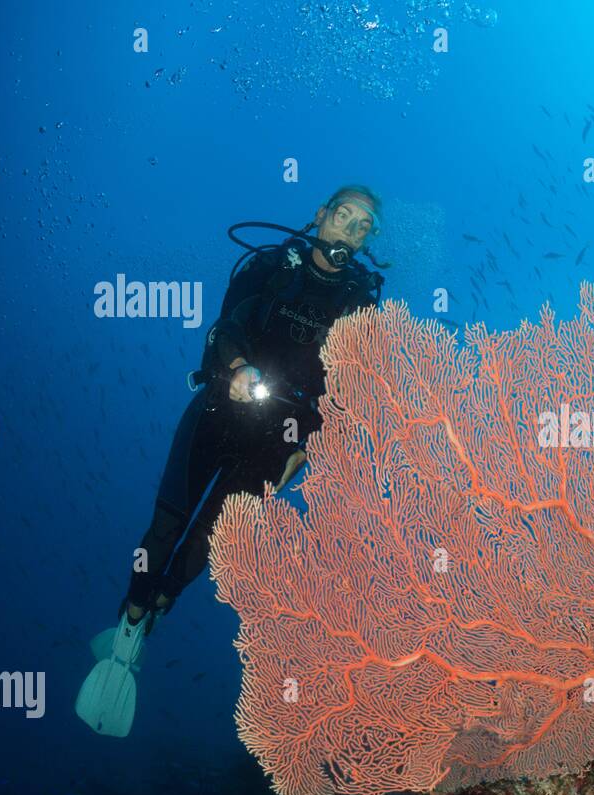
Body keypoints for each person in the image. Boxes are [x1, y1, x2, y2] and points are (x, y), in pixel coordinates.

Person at [76, 185, 385, 736]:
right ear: (320, 216)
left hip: (278, 439)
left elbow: (350, 387)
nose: (351, 232)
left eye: (365, 227)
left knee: (209, 542)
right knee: (168, 525)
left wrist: (307, 445)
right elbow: (227, 325)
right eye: (344, 217)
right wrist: (239, 367)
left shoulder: (361, 300)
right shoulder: (269, 265)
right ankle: (130, 615)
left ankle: (158, 612)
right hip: (220, 409)